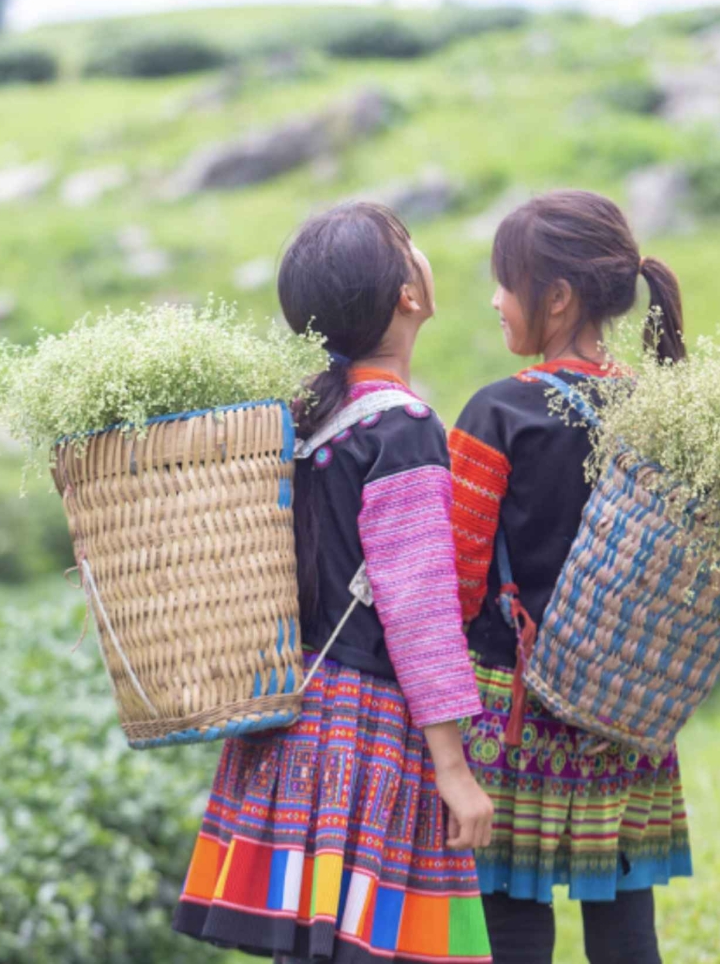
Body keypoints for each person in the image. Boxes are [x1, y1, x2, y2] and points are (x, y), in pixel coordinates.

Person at [173, 202, 495, 964]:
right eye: (409, 246)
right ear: (407, 297)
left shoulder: (306, 424)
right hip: (364, 730)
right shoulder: (402, 429)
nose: (421, 254)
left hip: (294, 721)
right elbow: (419, 609)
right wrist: (454, 770)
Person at [447, 191, 692, 964]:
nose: (493, 299)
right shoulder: (658, 409)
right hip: (624, 708)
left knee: (513, 917)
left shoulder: (497, 416)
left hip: (516, 711)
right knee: (624, 918)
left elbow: (457, 584)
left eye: (505, 281)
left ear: (556, 298)